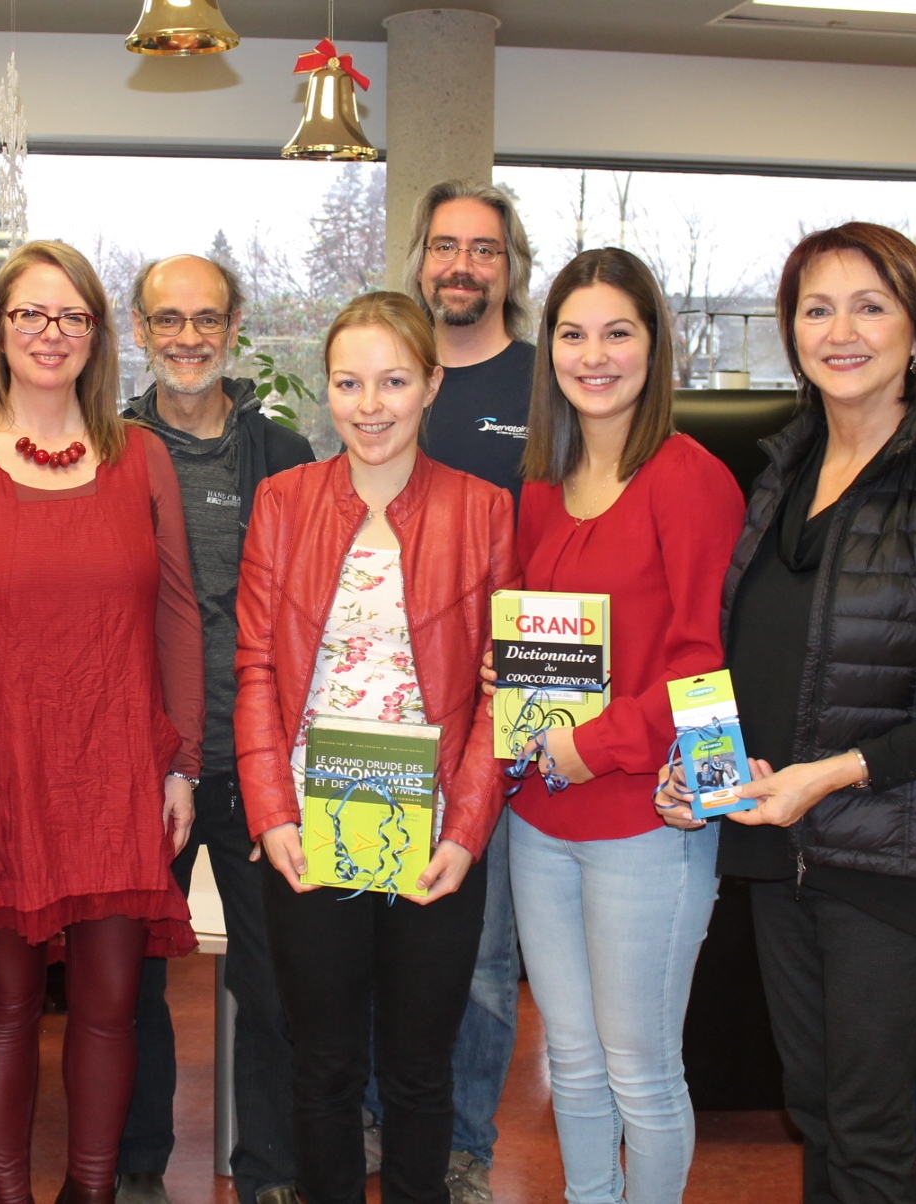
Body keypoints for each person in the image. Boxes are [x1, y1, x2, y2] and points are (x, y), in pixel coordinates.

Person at [660, 222, 916, 1204]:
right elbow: (750, 655)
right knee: (816, 1107)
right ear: (789, 330)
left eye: (869, 305)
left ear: (913, 331)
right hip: (778, 850)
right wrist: (699, 767)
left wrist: (830, 774)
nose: (841, 329)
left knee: (867, 1127)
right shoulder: (779, 471)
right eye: (815, 307)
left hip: (890, 856)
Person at [0, 240, 204, 1204]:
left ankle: (91, 1193)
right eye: (30, 314)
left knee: (111, 1008)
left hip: (116, 771)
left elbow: (177, 617)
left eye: (71, 316)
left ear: (96, 336)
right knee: (4, 1005)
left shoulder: (141, 457)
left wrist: (181, 767)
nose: (50, 334)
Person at [237, 290, 519, 1204]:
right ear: (326, 389)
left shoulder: (482, 511)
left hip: (434, 832)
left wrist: (467, 831)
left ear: (431, 383)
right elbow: (252, 674)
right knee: (318, 1069)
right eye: (350, 383)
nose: (371, 405)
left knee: (416, 1073)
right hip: (312, 825)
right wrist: (272, 814)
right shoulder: (282, 504)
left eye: (394, 381)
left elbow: (499, 700)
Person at [483, 247, 742, 1204]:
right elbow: (534, 635)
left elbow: (705, 668)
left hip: (645, 821)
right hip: (541, 822)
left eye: (617, 332)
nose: (593, 355)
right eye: (572, 333)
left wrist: (586, 746)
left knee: (641, 1071)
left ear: (653, 345)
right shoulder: (541, 484)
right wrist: (500, 670)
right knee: (573, 1066)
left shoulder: (689, 481)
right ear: (548, 348)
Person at [117, 254, 314, 1204]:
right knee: (131, 982)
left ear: (234, 328)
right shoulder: (101, 450)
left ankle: (268, 1169)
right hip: (138, 764)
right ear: (139, 328)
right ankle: (136, 1163)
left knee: (273, 980)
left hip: (255, 762)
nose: (186, 338)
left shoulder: (282, 456)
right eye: (167, 320)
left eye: (205, 319)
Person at [405, 179, 538, 1204]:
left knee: (485, 957)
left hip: (498, 715)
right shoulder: (390, 377)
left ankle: (461, 1146)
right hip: (385, 713)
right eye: (444, 245)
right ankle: (380, 1118)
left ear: (509, 267)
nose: (461, 264)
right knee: (382, 930)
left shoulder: (545, 389)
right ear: (418, 261)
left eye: (481, 249)